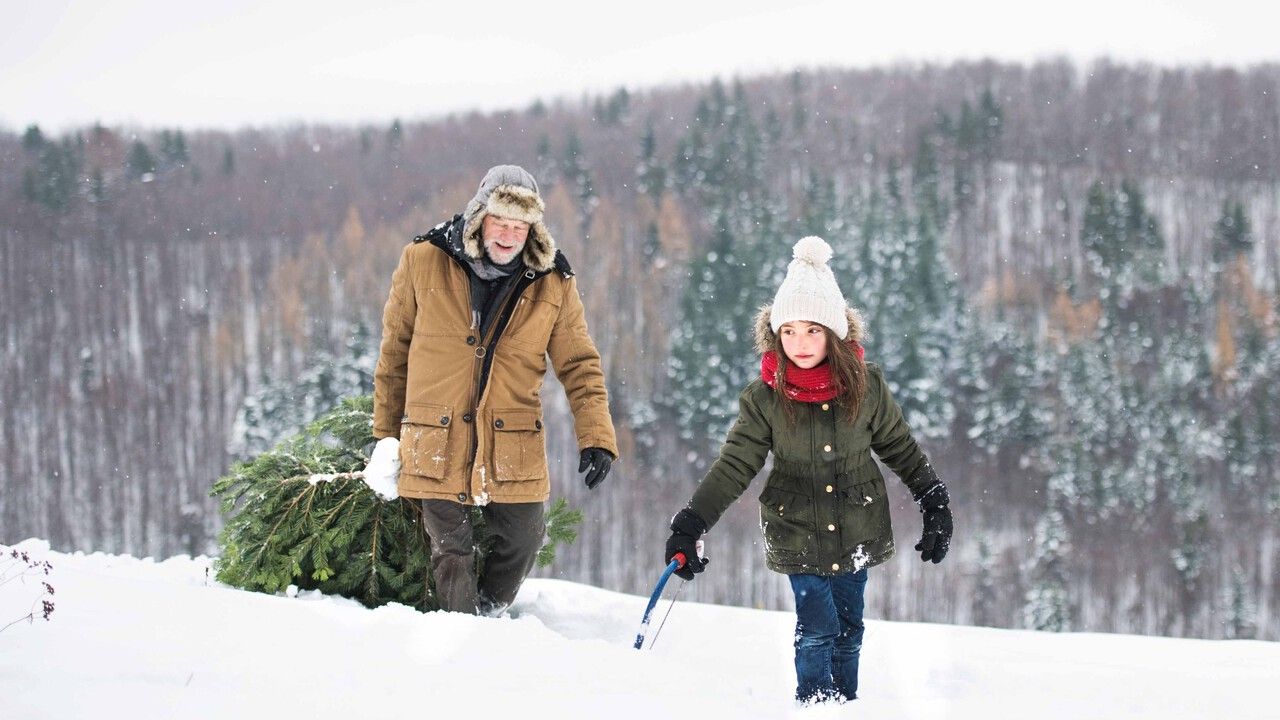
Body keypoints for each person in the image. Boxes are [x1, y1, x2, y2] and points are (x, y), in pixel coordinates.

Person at [663, 236, 953, 705]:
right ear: (775, 334)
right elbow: (736, 463)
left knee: (850, 628)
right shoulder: (765, 398)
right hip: (796, 526)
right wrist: (692, 521)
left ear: (834, 333)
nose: (799, 343)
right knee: (818, 627)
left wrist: (933, 500)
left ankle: (846, 706)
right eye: (789, 331)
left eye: (813, 330)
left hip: (857, 525)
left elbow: (899, 446)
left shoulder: (867, 387)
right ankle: (815, 707)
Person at [365, 164, 618, 616]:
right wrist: (385, 436)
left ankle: (489, 613)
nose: (508, 235)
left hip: (511, 442)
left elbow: (580, 365)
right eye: (500, 221)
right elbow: (394, 355)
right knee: (452, 551)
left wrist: (596, 436)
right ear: (479, 216)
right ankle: (465, 634)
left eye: (520, 226)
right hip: (434, 436)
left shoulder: (554, 282)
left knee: (526, 536)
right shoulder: (423, 259)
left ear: (533, 229)